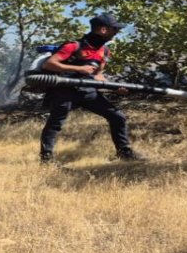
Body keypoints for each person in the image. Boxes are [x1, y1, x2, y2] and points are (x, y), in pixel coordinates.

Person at [38, 13, 144, 163]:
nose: (116, 32)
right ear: (103, 30)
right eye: (114, 29)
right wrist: (78, 69)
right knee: (55, 123)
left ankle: (124, 153)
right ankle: (46, 160)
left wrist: (115, 88)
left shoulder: (104, 51)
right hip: (64, 91)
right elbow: (49, 64)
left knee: (117, 116)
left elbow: (97, 75)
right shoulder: (73, 46)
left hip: (88, 91)